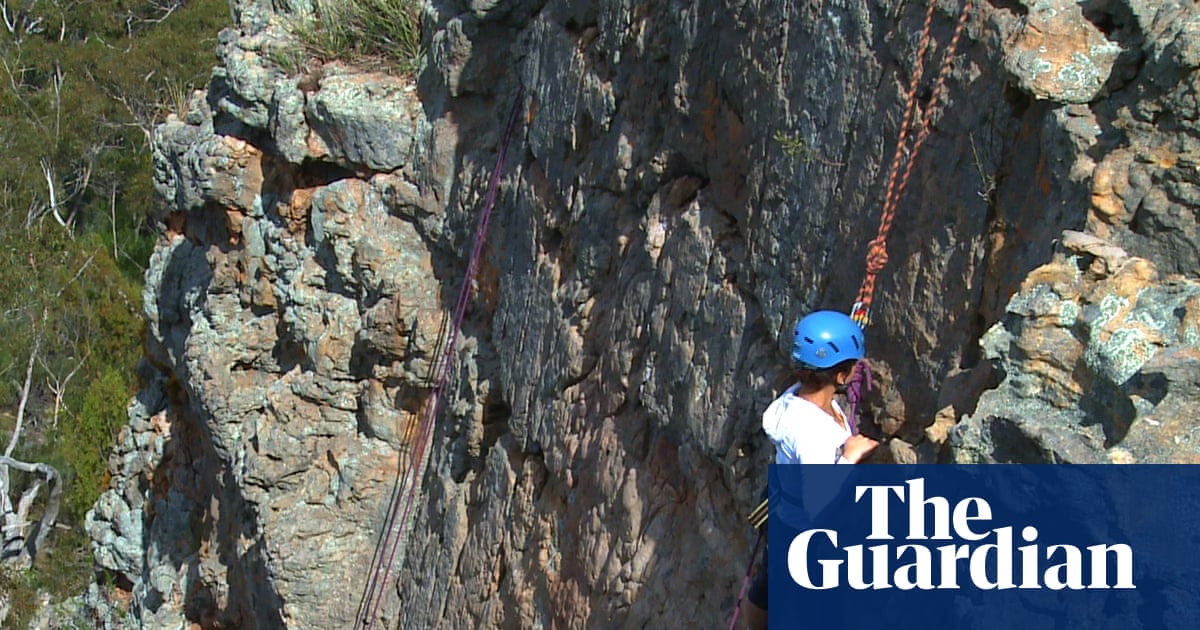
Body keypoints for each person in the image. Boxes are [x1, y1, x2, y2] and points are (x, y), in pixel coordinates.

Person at [741, 310, 879, 629]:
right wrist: (850, 455)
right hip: (806, 531)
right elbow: (818, 504)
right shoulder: (812, 432)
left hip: (782, 515)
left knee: (771, 583)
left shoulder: (797, 399)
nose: (859, 370)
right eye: (853, 367)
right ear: (840, 376)